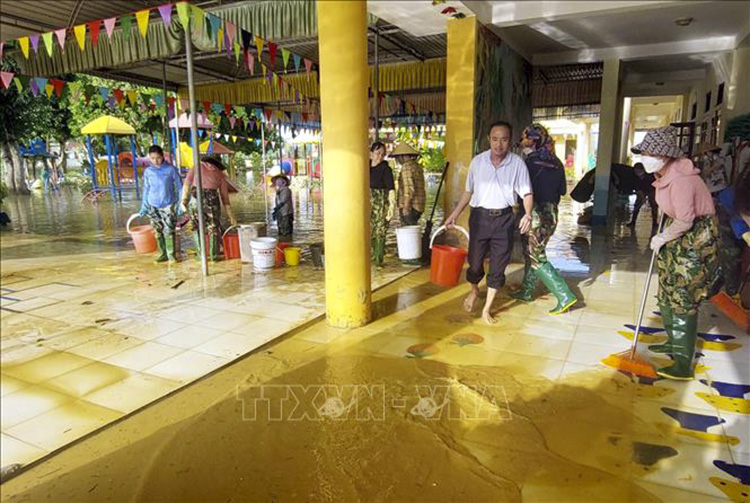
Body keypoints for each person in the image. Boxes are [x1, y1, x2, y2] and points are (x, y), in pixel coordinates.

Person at [631, 126, 721, 380]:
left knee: (682, 294)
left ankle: (682, 363)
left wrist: (662, 237)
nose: (644, 157)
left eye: (649, 152)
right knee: (667, 288)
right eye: (643, 152)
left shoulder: (681, 180)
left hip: (694, 237)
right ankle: (673, 342)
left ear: (665, 155)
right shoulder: (665, 175)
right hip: (678, 230)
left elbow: (686, 221)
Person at [445, 120, 533, 325]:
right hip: (480, 218)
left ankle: (487, 309)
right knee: (474, 262)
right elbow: (469, 192)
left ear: (509, 141)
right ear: (489, 140)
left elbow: (527, 192)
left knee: (498, 265)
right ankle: (474, 290)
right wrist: (454, 214)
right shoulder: (478, 162)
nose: (498, 144)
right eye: (495, 139)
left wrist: (527, 214)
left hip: (504, 218)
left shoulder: (517, 164)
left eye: (503, 139)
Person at [510, 124, 577, 315]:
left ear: (534, 141)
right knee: (532, 252)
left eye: (525, 142)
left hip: (534, 214)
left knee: (536, 256)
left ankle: (564, 295)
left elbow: (521, 191)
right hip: (551, 214)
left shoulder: (527, 164)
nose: (523, 146)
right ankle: (527, 291)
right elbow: (563, 191)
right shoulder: (556, 162)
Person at [180, 155, 236, 261]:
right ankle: (214, 256)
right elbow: (225, 198)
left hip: (195, 199)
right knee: (213, 228)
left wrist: (183, 201)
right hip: (212, 200)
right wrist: (231, 216)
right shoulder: (220, 174)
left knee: (197, 227)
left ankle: (201, 256)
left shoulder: (196, 167)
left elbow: (186, 185)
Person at [140, 145, 182, 263]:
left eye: (158, 158)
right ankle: (162, 253)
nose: (155, 161)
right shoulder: (148, 171)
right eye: (152, 158)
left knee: (169, 230)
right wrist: (144, 205)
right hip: (152, 204)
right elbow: (146, 189)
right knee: (157, 230)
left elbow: (180, 187)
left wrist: (181, 203)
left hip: (169, 204)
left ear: (163, 156)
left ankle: (171, 255)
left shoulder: (171, 169)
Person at [370, 142, 396, 267]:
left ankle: (378, 259)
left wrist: (391, 206)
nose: (379, 156)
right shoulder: (366, 168)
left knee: (380, 230)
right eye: (377, 153)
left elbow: (391, 189)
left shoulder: (386, 169)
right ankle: (371, 255)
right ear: (371, 153)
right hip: (368, 202)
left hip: (381, 202)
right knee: (369, 230)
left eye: (382, 154)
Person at [392, 143, 426, 226]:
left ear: (402, 156)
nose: (397, 160)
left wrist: (406, 206)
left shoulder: (406, 167)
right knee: (413, 230)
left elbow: (409, 188)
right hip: (419, 205)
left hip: (411, 206)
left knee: (408, 232)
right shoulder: (417, 166)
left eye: (397, 157)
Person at [272, 174, 294, 242]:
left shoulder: (286, 190)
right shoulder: (279, 190)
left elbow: (282, 201)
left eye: (279, 181)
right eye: (276, 181)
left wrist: (277, 208)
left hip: (286, 213)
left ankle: (287, 243)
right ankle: (282, 243)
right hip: (281, 213)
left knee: (286, 231)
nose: (277, 182)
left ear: (284, 182)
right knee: (281, 230)